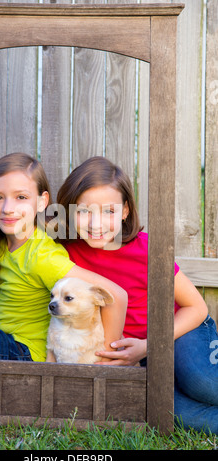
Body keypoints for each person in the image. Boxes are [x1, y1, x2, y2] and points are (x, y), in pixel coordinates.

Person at [57, 155, 218, 434]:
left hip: (177, 332)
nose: (96, 223)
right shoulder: (63, 253)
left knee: (201, 382)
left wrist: (149, 344)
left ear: (125, 211)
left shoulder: (145, 250)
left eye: (108, 211)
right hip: (133, 356)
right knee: (169, 411)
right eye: (84, 211)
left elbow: (196, 307)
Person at [0, 153, 127, 363]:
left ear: (42, 201)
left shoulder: (43, 256)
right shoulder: (0, 242)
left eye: (21, 197)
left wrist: (106, 361)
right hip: (2, 333)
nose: (8, 208)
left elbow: (117, 295)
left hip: (23, 351)